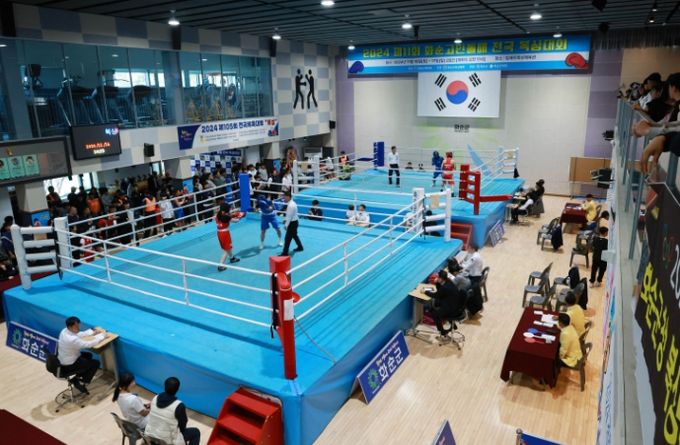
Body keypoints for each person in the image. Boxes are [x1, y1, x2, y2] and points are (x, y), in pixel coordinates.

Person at [145, 377, 200, 445]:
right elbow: (183, 425)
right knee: (195, 432)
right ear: (177, 389)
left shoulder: (155, 398)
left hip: (150, 435)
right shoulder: (179, 405)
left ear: (164, 386)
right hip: (166, 440)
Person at [57, 316, 106, 394]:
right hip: (70, 364)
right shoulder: (72, 339)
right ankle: (82, 382)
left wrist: (92, 332)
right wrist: (101, 337)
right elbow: (88, 344)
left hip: (64, 359)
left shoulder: (64, 331)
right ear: (70, 327)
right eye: (76, 326)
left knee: (88, 355)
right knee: (95, 363)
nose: (78, 328)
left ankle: (78, 377)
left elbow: (77, 334)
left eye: (78, 325)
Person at [424, 270, 467, 340]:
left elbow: (436, 295)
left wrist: (425, 292)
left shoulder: (445, 287)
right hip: (456, 305)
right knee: (438, 304)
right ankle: (453, 326)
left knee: (434, 314)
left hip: (452, 308)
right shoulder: (448, 281)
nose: (437, 278)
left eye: (438, 277)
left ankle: (442, 332)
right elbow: (440, 292)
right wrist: (437, 283)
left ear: (441, 278)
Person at [215, 203, 240, 271]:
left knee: (228, 247)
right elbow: (236, 221)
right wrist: (239, 216)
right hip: (225, 234)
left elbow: (227, 216)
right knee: (226, 250)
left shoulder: (218, 214)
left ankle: (232, 258)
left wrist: (232, 215)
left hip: (219, 233)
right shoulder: (225, 217)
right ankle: (220, 265)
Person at [280, 191, 303, 256]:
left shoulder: (290, 205)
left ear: (288, 197)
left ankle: (285, 253)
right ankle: (300, 247)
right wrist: (285, 220)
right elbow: (289, 215)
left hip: (292, 223)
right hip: (294, 222)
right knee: (294, 235)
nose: (283, 198)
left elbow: (289, 216)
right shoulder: (292, 203)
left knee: (287, 238)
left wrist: (286, 225)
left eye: (284, 197)